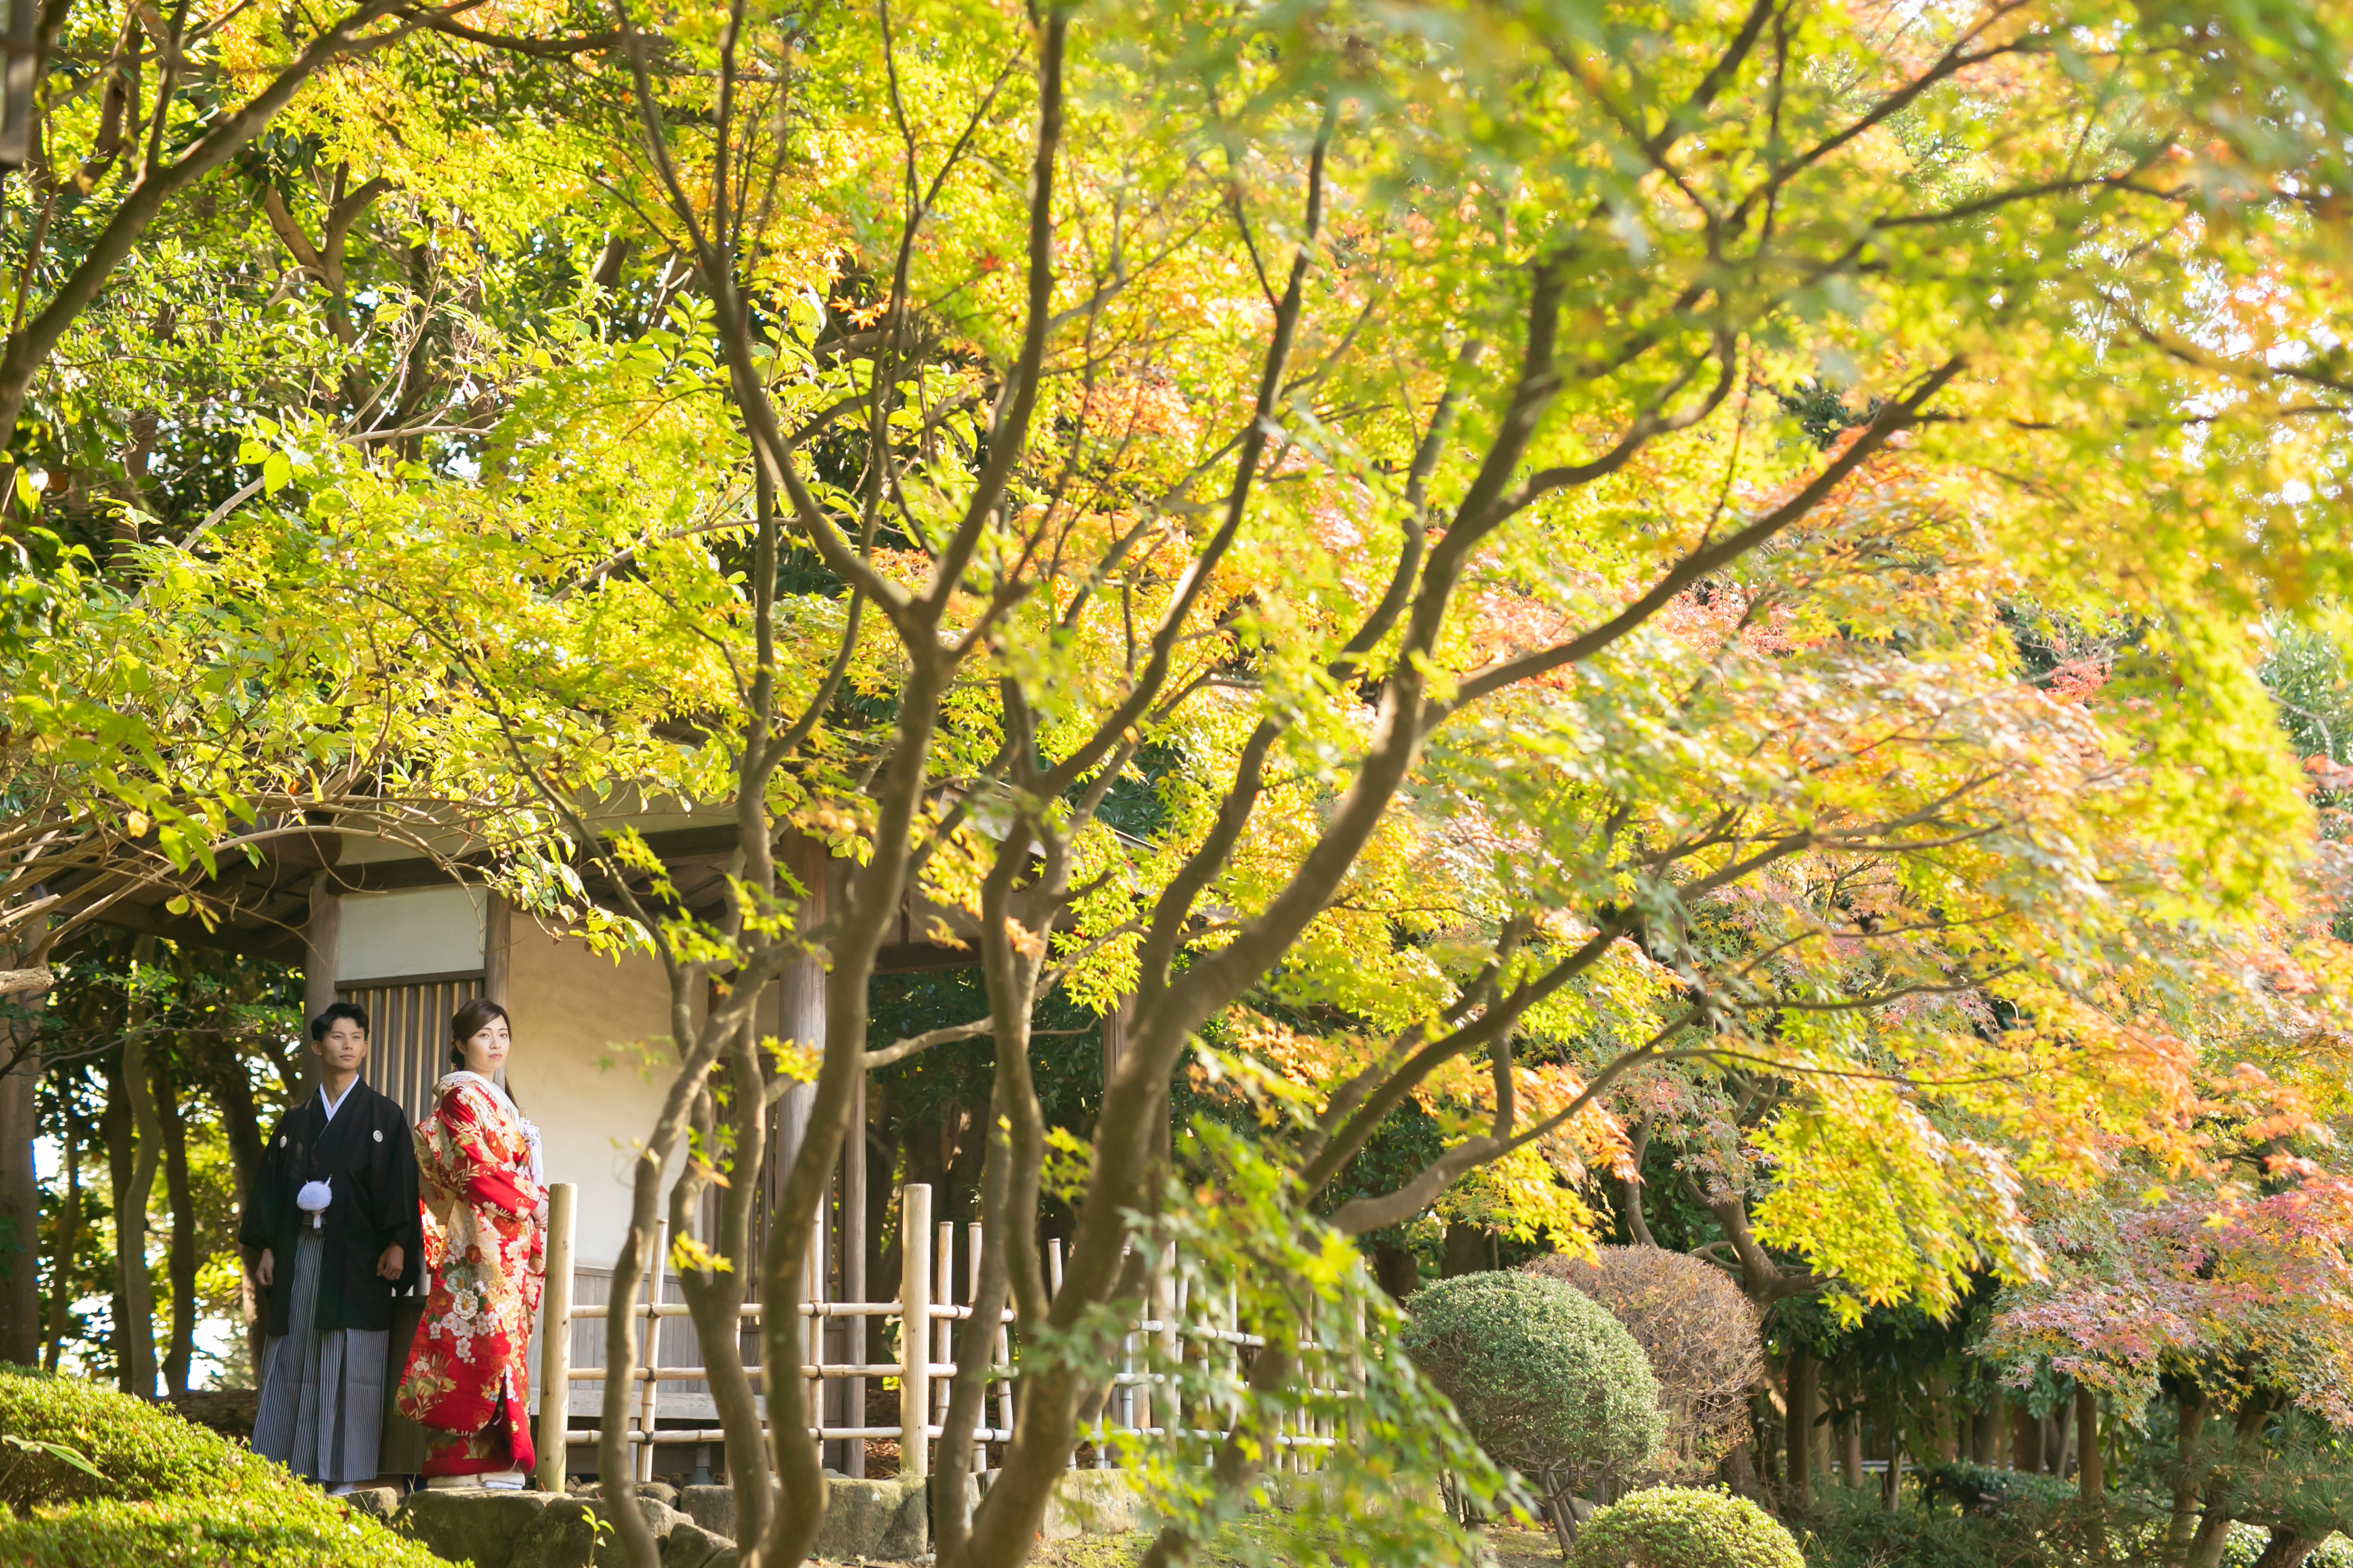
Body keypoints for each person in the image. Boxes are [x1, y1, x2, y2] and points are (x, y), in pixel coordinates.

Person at [242, 1000, 424, 1494]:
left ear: (365, 1046)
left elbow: (400, 1187)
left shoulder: (384, 1114)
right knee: (294, 1350)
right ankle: (281, 1465)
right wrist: (268, 1249)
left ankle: (346, 1472)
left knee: (352, 1358)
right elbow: (272, 1191)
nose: (348, 1045)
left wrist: (398, 1243)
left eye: (356, 1037)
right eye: (338, 1037)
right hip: (302, 1251)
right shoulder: (296, 1119)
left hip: (359, 1258)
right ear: (319, 1046)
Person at [395, 997, 547, 1490]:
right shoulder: (459, 1098)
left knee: (504, 1346)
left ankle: (500, 1458)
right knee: (476, 1342)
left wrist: (529, 1199)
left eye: (503, 1033)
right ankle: (459, 1462)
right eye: (484, 1035)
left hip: (507, 1239)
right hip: (479, 1242)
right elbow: (473, 1167)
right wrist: (531, 1200)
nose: (496, 1043)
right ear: (460, 1044)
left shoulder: (498, 1100)